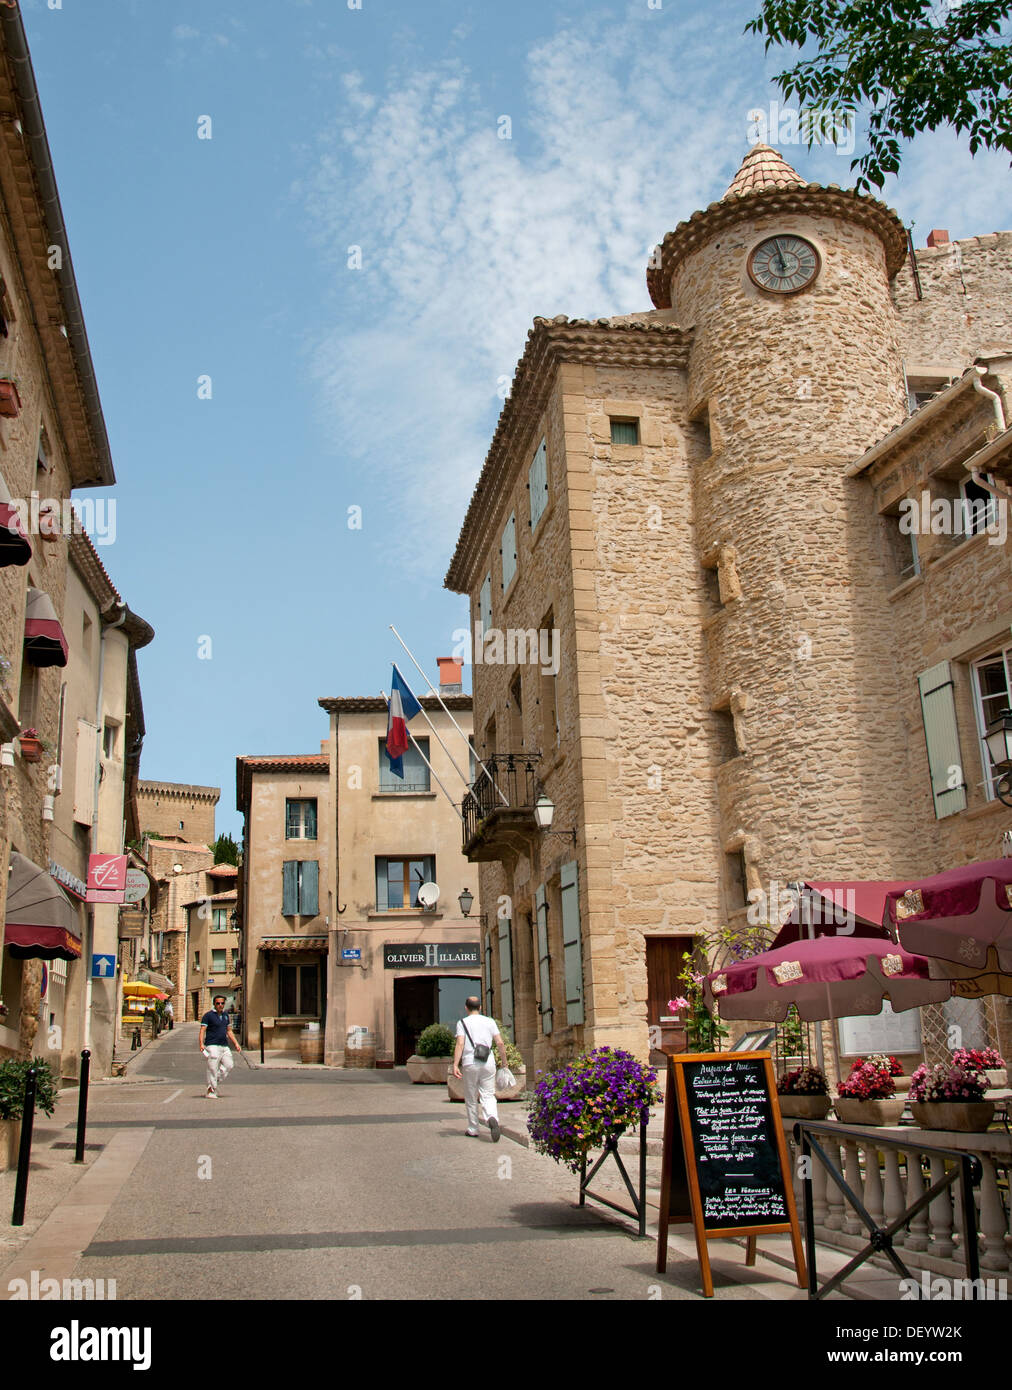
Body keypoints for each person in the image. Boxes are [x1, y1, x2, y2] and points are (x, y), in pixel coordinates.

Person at [452, 996, 507, 1141]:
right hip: (488, 1061)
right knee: (488, 1094)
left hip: (470, 1062)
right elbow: (500, 1043)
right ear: (480, 1007)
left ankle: (473, 1128)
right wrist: (504, 1062)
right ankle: (491, 1118)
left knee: (471, 1096)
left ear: (466, 1008)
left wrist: (455, 1064)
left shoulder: (462, 1023)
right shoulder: (489, 1021)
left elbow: (460, 1044)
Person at [199, 994, 241, 1098]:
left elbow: (229, 1031)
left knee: (229, 1065)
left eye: (222, 1003)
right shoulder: (208, 1016)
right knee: (212, 1067)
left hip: (224, 1045)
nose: (220, 1005)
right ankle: (211, 1090)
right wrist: (201, 1043)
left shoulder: (226, 1016)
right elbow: (202, 1030)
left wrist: (236, 1043)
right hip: (212, 1045)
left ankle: (213, 1081)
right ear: (214, 1004)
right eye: (218, 1003)